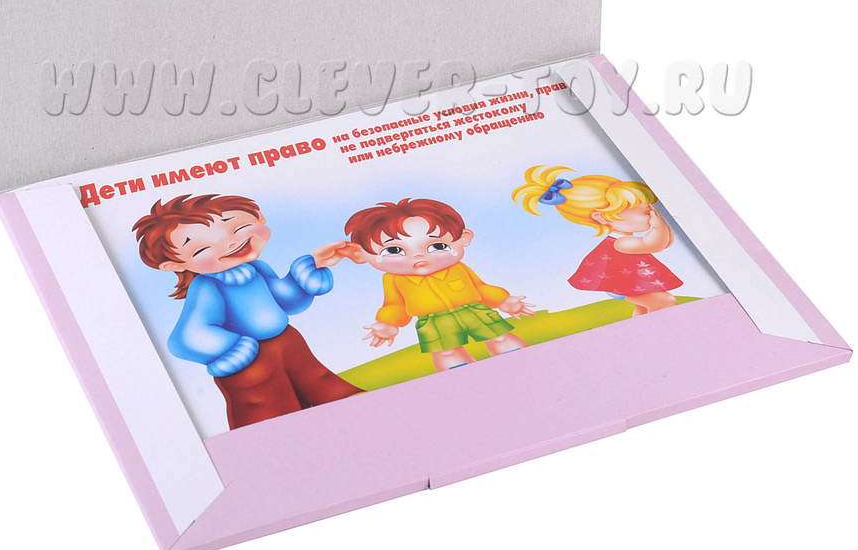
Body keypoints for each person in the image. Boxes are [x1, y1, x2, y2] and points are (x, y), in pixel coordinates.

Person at [134, 193, 363, 429]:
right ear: (174, 265)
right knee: (267, 410)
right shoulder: (207, 287)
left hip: (288, 342)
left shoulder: (258, 268)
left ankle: (360, 408)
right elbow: (185, 338)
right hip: (250, 362)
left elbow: (285, 300)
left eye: (239, 227)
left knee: (320, 382)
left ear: (259, 217)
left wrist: (304, 278)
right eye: (201, 249)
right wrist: (230, 348)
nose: (230, 243)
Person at [345, 197, 534, 371]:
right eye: (394, 250)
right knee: (447, 353)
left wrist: (503, 300)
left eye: (437, 246)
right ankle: (465, 382)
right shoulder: (394, 279)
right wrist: (388, 322)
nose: (418, 256)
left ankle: (524, 366)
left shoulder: (458, 268)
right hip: (433, 322)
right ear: (359, 254)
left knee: (500, 338)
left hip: (474, 310)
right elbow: (395, 305)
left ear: (463, 239)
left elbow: (480, 288)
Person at [512, 165, 682, 316]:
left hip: (636, 283)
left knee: (644, 308)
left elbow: (666, 243)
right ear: (602, 217)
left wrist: (661, 225)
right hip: (623, 286)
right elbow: (654, 245)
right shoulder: (620, 243)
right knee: (666, 302)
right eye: (645, 212)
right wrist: (659, 225)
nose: (651, 213)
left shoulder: (625, 239)